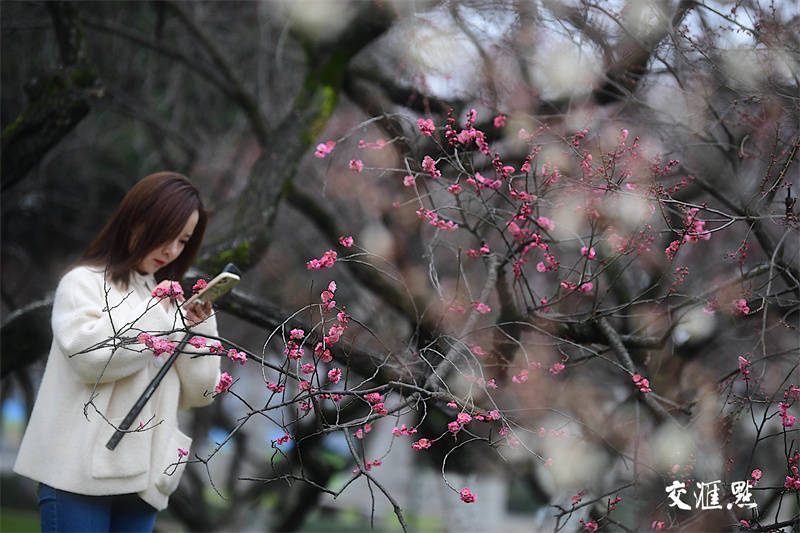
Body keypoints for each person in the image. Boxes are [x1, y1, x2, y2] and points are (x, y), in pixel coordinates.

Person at [14, 172, 221, 532]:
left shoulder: (168, 302)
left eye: (184, 241)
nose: (173, 250)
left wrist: (199, 326)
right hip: (77, 475)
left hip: (144, 481)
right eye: (167, 234)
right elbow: (91, 359)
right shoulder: (83, 283)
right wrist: (159, 316)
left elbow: (202, 393)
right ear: (136, 220)